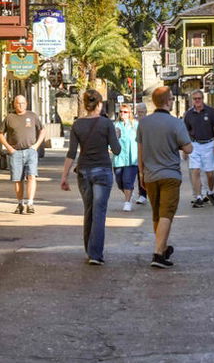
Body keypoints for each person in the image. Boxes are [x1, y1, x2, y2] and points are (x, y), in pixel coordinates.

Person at [60, 89, 122, 265]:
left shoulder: (77, 125)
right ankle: (95, 254)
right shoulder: (106, 123)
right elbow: (116, 150)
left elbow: (71, 153)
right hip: (102, 170)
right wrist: (116, 136)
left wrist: (64, 176)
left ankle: (89, 249)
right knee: (99, 212)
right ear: (100, 104)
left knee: (89, 210)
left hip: (84, 171)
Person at [138, 86, 193, 268]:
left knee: (157, 215)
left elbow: (140, 150)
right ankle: (157, 253)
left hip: (150, 175)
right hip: (170, 174)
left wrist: (140, 173)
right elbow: (188, 148)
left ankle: (162, 249)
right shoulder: (176, 123)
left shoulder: (144, 123)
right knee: (167, 214)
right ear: (169, 101)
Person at [0, 94, 45, 214]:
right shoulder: (9, 118)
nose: (20, 105)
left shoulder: (32, 116)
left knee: (31, 176)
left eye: (23, 103)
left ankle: (30, 203)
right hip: (16, 153)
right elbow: (0, 134)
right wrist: (9, 148)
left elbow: (42, 130)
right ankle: (20, 203)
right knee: (17, 179)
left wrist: (36, 145)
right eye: (18, 103)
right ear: (14, 104)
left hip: (30, 151)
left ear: (26, 104)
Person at [183, 89, 214, 208]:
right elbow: (185, 131)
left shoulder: (211, 112)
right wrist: (185, 148)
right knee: (195, 171)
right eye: (195, 99)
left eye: (199, 98)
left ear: (202, 99)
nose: (197, 101)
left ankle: (209, 192)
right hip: (195, 145)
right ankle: (198, 197)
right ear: (192, 100)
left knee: (209, 173)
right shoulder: (189, 114)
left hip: (209, 144)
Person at [112, 103, 140, 211]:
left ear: (130, 114)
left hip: (132, 158)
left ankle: (127, 202)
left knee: (128, 180)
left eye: (125, 112)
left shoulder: (135, 125)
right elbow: (110, 140)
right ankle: (129, 193)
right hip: (118, 158)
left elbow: (141, 140)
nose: (123, 114)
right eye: (121, 112)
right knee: (120, 182)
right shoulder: (115, 125)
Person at [133, 102, 149, 205]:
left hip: (146, 151)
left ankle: (143, 195)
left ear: (146, 112)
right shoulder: (133, 122)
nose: (140, 114)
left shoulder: (149, 122)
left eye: (142, 112)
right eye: (138, 112)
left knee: (142, 174)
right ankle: (131, 192)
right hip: (134, 151)